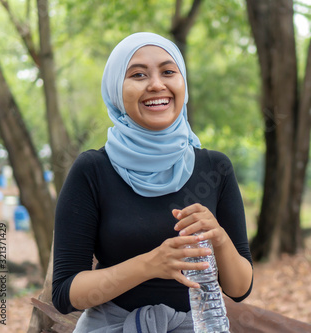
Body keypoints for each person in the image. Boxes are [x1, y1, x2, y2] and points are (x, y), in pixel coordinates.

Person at [52, 32, 253, 332]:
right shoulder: (92, 170)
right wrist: (150, 264)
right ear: (116, 90)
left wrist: (220, 239)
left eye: (168, 72)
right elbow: (65, 294)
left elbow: (239, 289)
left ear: (183, 82)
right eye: (138, 74)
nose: (156, 84)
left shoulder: (215, 167)